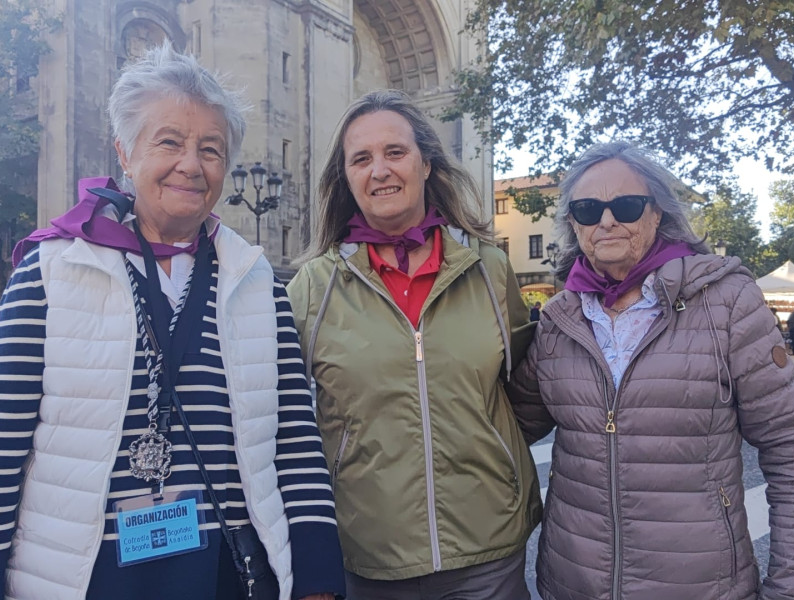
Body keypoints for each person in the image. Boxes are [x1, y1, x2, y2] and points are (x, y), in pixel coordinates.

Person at [0, 44, 344, 600]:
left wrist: (317, 582)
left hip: (230, 575)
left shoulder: (258, 284)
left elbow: (295, 444)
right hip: (82, 579)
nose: (191, 164)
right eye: (169, 142)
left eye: (211, 149)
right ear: (125, 151)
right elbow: (4, 440)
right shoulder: (51, 272)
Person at [508, 141, 794, 599]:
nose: (606, 221)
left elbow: (791, 449)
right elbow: (506, 428)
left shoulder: (727, 304)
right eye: (588, 209)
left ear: (656, 213)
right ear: (572, 223)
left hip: (702, 587)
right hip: (574, 583)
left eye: (625, 205)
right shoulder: (557, 319)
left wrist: (789, 586)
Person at [287, 89, 540, 600]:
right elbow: (284, 423)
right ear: (347, 179)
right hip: (368, 558)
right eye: (361, 159)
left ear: (426, 163)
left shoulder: (490, 269)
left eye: (395, 152)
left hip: (489, 552)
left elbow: (526, 389)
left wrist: (495, 458)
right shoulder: (312, 287)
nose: (379, 170)